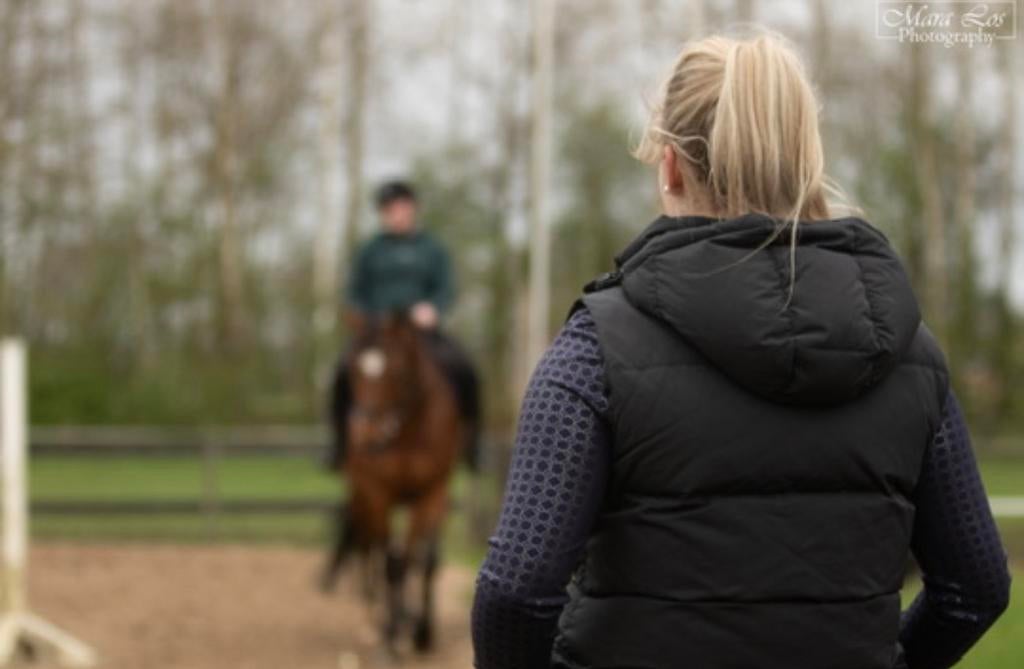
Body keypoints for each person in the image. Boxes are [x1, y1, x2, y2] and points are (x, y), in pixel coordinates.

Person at [471, 32, 1010, 669]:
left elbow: (515, 591)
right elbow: (975, 588)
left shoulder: (595, 350)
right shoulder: (913, 356)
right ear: (804, 157)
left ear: (670, 165)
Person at [325, 180, 480, 471]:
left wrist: (433, 308)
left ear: (413, 209)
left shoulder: (433, 249)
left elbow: (446, 288)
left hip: (422, 334)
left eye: (400, 208)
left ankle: (471, 445)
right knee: (342, 371)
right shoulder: (369, 251)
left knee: (465, 367)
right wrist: (361, 314)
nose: (395, 215)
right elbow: (353, 292)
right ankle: (339, 446)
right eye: (389, 210)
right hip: (377, 335)